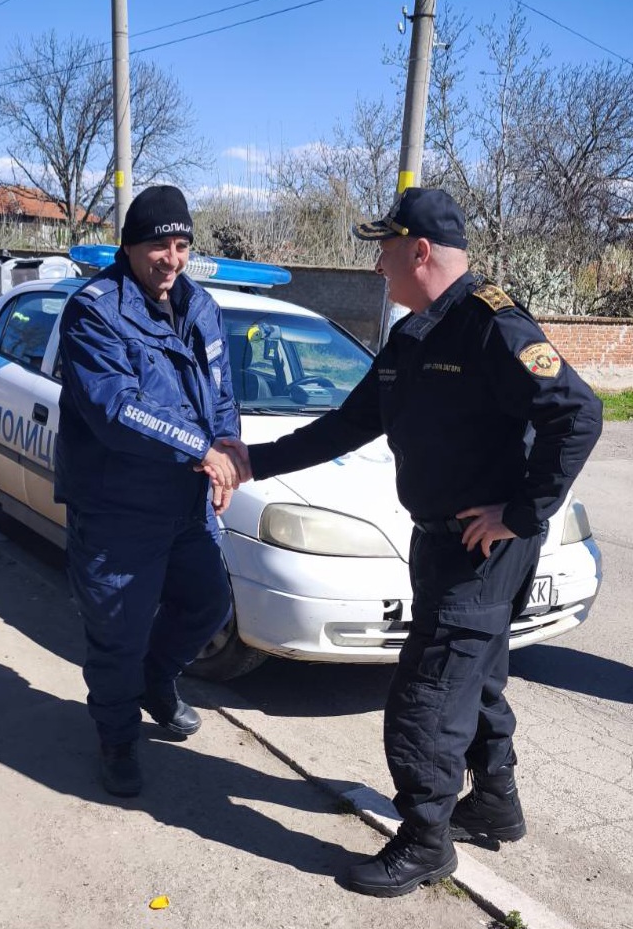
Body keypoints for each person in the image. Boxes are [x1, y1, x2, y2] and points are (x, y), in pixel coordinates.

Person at [222, 188, 602, 896]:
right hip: (438, 543)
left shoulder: (493, 326)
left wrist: (522, 513)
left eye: (385, 250)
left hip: (481, 550)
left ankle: (426, 841)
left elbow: (577, 415)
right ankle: (495, 799)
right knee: (474, 676)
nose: (377, 266)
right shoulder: (414, 336)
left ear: (420, 251)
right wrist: (252, 461)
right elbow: (346, 426)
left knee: (426, 694)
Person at [55, 185, 244, 797]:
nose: (173, 258)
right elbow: (118, 410)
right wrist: (202, 451)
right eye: (160, 245)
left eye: (183, 244)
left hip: (185, 504)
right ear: (130, 246)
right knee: (118, 634)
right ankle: (116, 738)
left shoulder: (201, 306)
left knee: (208, 605)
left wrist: (227, 452)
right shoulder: (94, 311)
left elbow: (221, 392)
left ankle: (155, 683)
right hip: (118, 510)